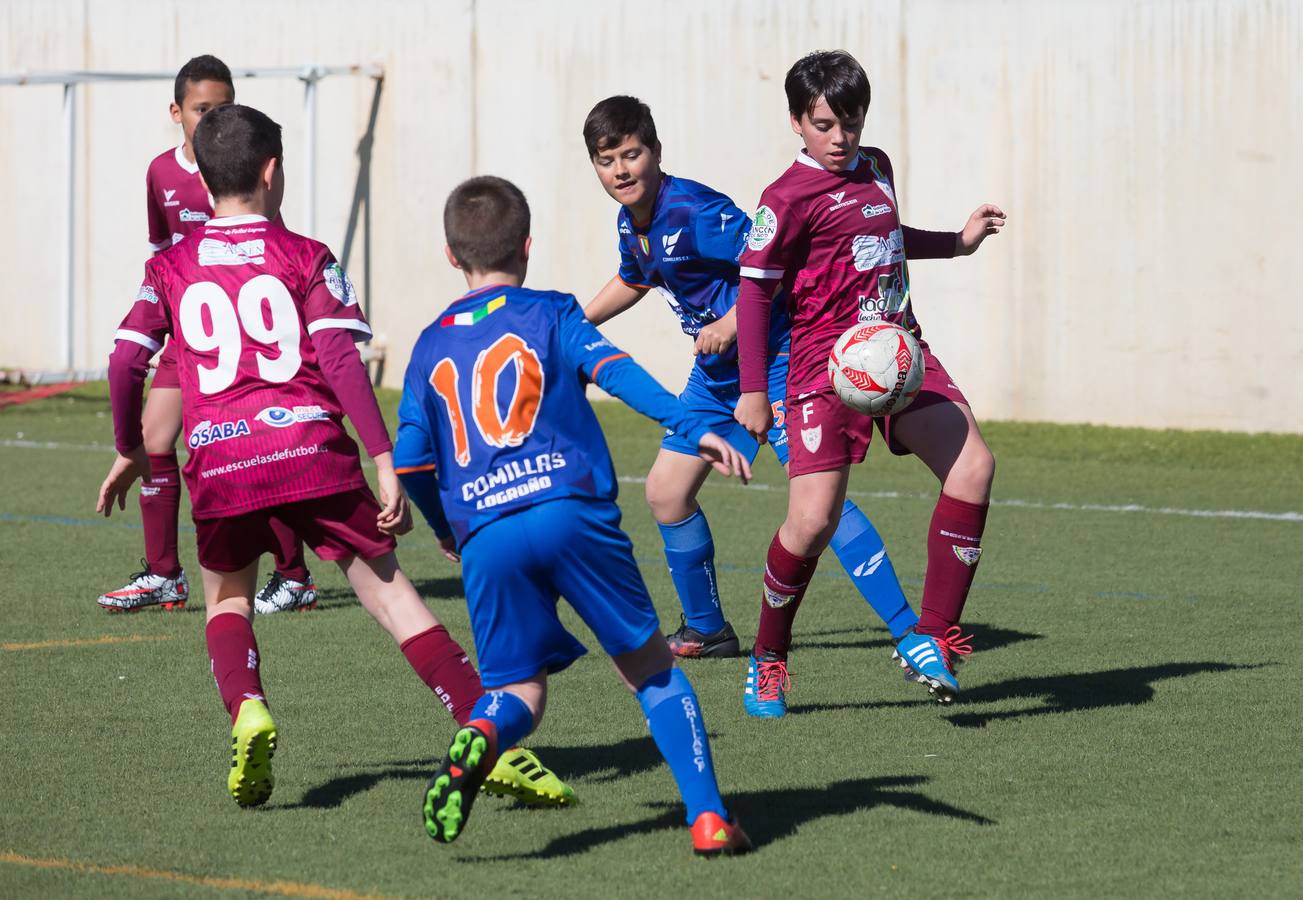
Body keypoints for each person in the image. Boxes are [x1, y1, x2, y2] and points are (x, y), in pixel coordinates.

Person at [96, 104, 573, 810]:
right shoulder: (305, 255)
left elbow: (125, 360)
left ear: (198, 179)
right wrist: (382, 459)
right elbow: (339, 361)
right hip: (310, 450)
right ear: (271, 171)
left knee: (227, 597)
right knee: (388, 591)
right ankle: (486, 729)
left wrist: (130, 447)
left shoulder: (170, 263)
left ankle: (249, 708)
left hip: (221, 461)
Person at [396, 175, 753, 855]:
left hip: (487, 533)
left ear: (450, 254)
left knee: (514, 688)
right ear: (527, 246)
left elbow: (410, 460)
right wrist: (691, 424)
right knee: (651, 672)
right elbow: (616, 371)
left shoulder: (427, 347)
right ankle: (707, 820)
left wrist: (445, 529)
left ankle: (480, 736)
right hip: (570, 511)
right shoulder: (553, 311)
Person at [581, 95, 920, 667]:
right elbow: (634, 278)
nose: (620, 170)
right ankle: (709, 630)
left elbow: (772, 265)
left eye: (632, 154)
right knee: (666, 492)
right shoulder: (631, 222)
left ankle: (911, 630)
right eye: (607, 159)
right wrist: (572, 324)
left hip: (780, 362)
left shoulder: (694, 209)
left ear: (656, 152)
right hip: (716, 378)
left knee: (818, 506)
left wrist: (731, 321)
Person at [733, 50, 1006, 712]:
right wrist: (750, 389)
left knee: (973, 467)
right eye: (824, 124)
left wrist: (955, 242)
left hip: (898, 353)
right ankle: (768, 658)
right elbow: (753, 291)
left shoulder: (875, 165)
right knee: (811, 522)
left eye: (849, 122)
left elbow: (882, 237)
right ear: (797, 121)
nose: (839, 138)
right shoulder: (785, 199)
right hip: (825, 371)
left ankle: (932, 640)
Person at [96, 55, 316, 616]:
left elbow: (271, 235)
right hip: (186, 322)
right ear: (177, 112)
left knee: (250, 440)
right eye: (201, 109)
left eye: (223, 106)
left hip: (240, 327)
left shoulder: (240, 167)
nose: (213, 117)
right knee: (154, 438)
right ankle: (165, 574)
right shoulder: (160, 173)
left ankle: (294, 576)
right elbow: (161, 250)